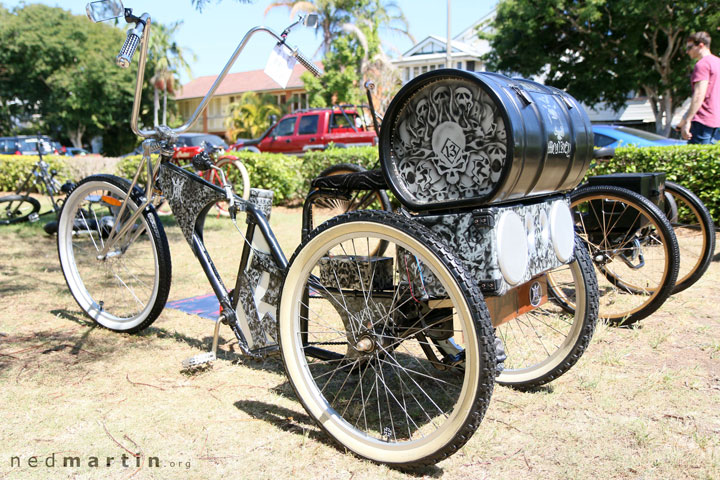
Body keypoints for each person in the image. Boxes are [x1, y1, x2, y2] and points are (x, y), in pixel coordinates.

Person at [677, 32, 720, 144]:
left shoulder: (702, 64)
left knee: (696, 160)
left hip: (702, 122)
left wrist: (688, 121)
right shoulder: (718, 63)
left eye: (690, 47)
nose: (687, 51)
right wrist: (682, 121)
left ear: (701, 45)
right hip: (717, 122)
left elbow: (699, 95)